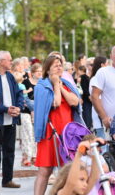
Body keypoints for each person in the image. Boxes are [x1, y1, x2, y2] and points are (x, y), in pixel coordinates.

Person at [33, 54, 84, 195]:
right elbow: (55, 103)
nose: (59, 67)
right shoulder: (41, 86)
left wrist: (60, 87)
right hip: (49, 133)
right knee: (45, 170)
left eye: (60, 65)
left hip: (67, 133)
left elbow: (75, 102)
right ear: (47, 69)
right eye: (55, 65)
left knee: (66, 169)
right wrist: (55, 85)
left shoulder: (66, 84)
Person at [0, 51, 24, 192]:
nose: (11, 62)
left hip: (12, 119)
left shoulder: (10, 76)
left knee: (10, 151)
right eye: (9, 60)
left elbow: (19, 93)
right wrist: (5, 109)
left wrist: (19, 108)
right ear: (1, 61)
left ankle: (7, 180)